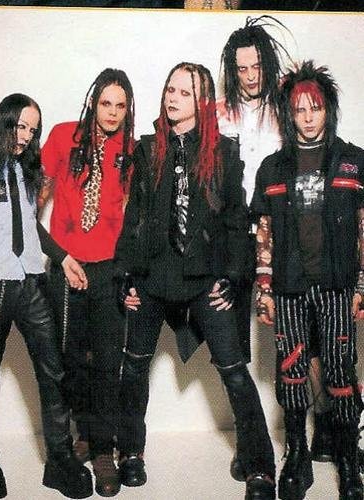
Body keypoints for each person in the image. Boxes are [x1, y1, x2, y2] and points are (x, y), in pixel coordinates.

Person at [114, 61, 276, 499]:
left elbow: (236, 220)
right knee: (133, 366)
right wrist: (125, 275)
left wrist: (233, 276)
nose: (173, 98)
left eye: (185, 92)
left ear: (202, 102)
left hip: (204, 279)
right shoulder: (148, 149)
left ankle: (260, 466)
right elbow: (134, 216)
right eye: (170, 89)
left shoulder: (223, 151)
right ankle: (130, 452)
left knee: (235, 371)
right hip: (152, 276)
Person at [217, 16, 339, 480]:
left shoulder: (289, 106)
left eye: (256, 66)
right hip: (234, 236)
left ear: (267, 64)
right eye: (241, 68)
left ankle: (326, 423)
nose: (249, 76)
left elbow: (318, 151)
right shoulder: (218, 111)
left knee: (308, 335)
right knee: (232, 342)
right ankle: (251, 441)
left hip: (285, 231)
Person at [0, 93, 93, 500]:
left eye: (33, 130)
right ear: (3, 121)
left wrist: (64, 257)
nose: (25, 136)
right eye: (20, 126)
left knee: (53, 371)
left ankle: (59, 460)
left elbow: (30, 226)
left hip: (29, 283)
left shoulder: (23, 171)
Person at [251, 60, 364, 500]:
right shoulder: (272, 168)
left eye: (315, 108)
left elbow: (363, 228)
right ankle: (296, 454)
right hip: (289, 287)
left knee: (340, 369)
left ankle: (349, 460)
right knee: (292, 370)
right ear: (289, 114)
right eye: (300, 109)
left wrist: (362, 286)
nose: (308, 117)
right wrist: (264, 290)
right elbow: (264, 232)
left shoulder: (354, 161)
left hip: (338, 285)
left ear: (327, 109)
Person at [39, 68, 135, 497]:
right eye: (105, 103)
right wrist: (57, 256)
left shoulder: (131, 150)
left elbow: (132, 215)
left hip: (108, 269)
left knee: (108, 362)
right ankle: (83, 434)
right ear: (93, 102)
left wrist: (130, 273)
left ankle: (103, 450)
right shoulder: (63, 137)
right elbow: (33, 201)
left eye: (120, 105)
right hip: (66, 265)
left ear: (127, 109)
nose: (112, 112)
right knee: (71, 359)